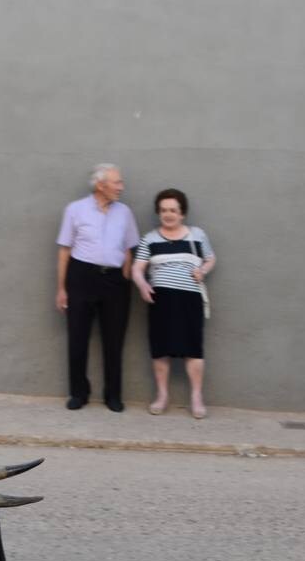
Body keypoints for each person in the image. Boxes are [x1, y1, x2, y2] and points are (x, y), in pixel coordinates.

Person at [56, 163, 140, 412]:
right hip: (81, 276)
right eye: (117, 182)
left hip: (114, 282)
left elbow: (129, 248)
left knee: (114, 339)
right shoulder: (75, 210)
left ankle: (113, 395)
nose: (121, 187)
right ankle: (78, 393)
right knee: (77, 337)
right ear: (100, 185)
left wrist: (124, 279)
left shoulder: (125, 212)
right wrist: (61, 288)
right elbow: (64, 250)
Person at [131, 188, 216, 419]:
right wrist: (142, 285)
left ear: (182, 213)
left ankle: (196, 398)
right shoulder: (149, 238)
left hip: (190, 298)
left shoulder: (197, 235)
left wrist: (203, 271)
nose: (168, 214)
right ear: (158, 213)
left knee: (193, 350)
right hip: (161, 300)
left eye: (173, 210)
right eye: (163, 210)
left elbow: (210, 258)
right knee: (160, 350)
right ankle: (162, 395)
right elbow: (137, 269)